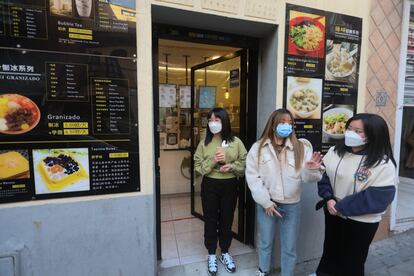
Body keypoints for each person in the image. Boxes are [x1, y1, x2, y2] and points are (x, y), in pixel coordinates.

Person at [315, 113, 397, 276]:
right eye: (349, 128)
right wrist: (328, 198)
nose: (351, 133)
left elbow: (378, 197)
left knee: (352, 260)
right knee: (330, 250)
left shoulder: (382, 163)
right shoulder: (334, 151)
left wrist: (340, 206)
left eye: (358, 131)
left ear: (373, 134)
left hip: (360, 221)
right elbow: (324, 176)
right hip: (332, 212)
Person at [245, 108, 323, 276]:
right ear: (273, 125)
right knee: (265, 241)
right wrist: (265, 202)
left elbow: (308, 177)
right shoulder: (258, 148)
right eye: (282, 122)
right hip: (268, 204)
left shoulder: (301, 148)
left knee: (289, 246)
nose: (286, 126)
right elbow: (253, 177)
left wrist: (310, 170)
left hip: (292, 204)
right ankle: (263, 270)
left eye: (289, 123)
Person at [194, 107, 247, 276]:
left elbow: (245, 164)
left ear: (224, 122)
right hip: (210, 185)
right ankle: (211, 254)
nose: (213, 123)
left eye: (217, 120)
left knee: (227, 218)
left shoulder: (236, 142)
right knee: (210, 219)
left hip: (230, 184)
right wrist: (212, 162)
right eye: (211, 120)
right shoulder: (204, 143)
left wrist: (231, 166)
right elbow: (197, 167)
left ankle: (225, 252)